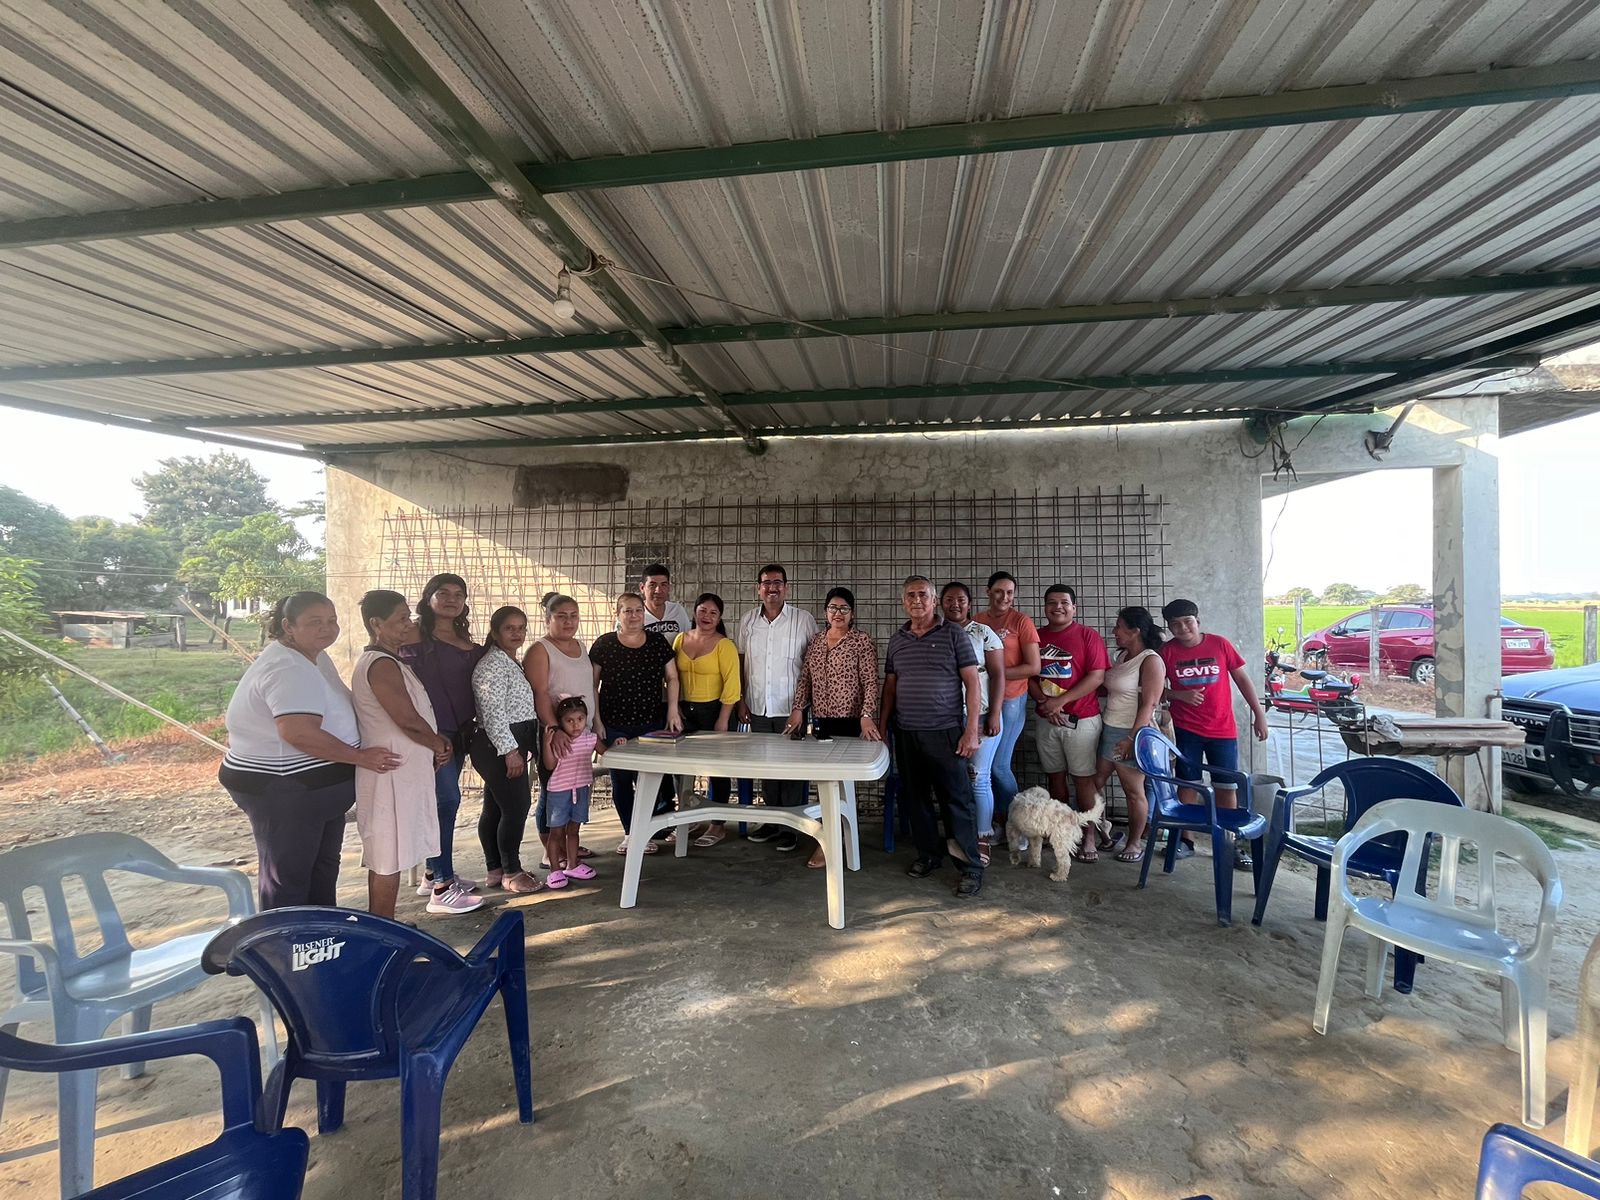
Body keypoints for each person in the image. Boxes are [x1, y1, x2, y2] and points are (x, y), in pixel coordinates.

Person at [219, 591, 400, 910]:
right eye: (315, 622)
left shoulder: (313, 657)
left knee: (322, 866)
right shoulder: (287, 668)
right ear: (288, 626)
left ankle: (319, 931)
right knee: (289, 875)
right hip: (284, 788)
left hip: (314, 789)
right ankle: (286, 938)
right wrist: (361, 757)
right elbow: (299, 733)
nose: (327, 628)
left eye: (332, 620)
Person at [351, 590, 479, 918]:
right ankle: (383, 927)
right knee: (387, 857)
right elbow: (406, 718)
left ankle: (387, 924)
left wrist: (434, 743)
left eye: (408, 617)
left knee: (394, 853)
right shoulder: (381, 664)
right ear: (376, 624)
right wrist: (437, 743)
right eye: (401, 619)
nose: (409, 624)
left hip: (402, 770)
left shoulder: (392, 660)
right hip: (390, 772)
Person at [881, 575, 985, 899]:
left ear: (934, 600)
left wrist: (972, 730)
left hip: (946, 733)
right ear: (903, 602)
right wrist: (883, 728)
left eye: (923, 595)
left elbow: (973, 683)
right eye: (911, 595)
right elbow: (890, 688)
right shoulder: (897, 641)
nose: (917, 600)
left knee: (956, 800)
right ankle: (928, 855)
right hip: (907, 732)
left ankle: (969, 867)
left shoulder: (954, 634)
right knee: (916, 799)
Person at [1158, 598, 1270, 867]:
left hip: (1223, 730)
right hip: (1186, 730)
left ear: (1198, 621)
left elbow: (1242, 679)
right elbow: (1153, 689)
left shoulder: (1220, 644)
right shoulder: (1166, 652)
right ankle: (1185, 840)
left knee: (1226, 787)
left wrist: (1259, 714)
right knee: (1188, 785)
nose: (1183, 628)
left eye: (1188, 622)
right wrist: (1179, 695)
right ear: (1170, 628)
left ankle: (1228, 844)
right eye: (1175, 624)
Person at [399, 572, 484, 904]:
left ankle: (433, 873)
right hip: (431, 734)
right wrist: (425, 733)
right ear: (428, 597)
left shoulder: (464, 637)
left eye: (458, 594)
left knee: (444, 803)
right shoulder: (413, 634)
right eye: (443, 593)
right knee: (445, 803)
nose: (451, 599)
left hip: (460, 733)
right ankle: (443, 888)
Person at [787, 586, 882, 868]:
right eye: (832, 608)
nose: (837, 613)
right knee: (825, 782)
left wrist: (867, 714)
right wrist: (797, 709)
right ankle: (831, 836)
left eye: (843, 608)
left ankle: (837, 838)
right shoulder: (816, 641)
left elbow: (870, 682)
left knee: (842, 784)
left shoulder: (861, 641)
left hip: (851, 721)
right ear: (825, 612)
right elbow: (805, 679)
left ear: (852, 613)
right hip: (821, 721)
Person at [589, 592, 683, 854]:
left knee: (651, 779)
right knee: (621, 780)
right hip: (614, 723)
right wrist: (596, 721)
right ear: (617, 614)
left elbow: (672, 678)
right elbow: (592, 685)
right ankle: (631, 833)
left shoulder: (657, 642)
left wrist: (672, 711)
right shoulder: (604, 644)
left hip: (650, 723)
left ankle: (650, 828)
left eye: (638, 610)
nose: (634, 616)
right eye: (627, 611)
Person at [736, 563, 818, 852]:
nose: (772, 587)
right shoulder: (748, 621)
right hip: (758, 705)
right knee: (767, 767)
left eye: (778, 582)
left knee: (792, 771)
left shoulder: (803, 620)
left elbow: (812, 666)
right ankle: (772, 822)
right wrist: (741, 699)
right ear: (758, 588)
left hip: (791, 707)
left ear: (787, 587)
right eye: (766, 583)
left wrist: (801, 707)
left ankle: (791, 828)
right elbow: (741, 662)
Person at [1027, 585, 1111, 860]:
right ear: (1045, 607)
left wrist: (1060, 702)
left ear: (1074, 607)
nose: (1058, 607)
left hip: (1081, 720)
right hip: (1046, 721)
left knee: (1083, 780)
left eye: (1064, 602)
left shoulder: (1088, 635)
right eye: (1052, 602)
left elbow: (1097, 676)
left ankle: (1088, 835)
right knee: (1055, 777)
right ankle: (1061, 831)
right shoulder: (1035, 637)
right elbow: (1028, 676)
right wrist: (1045, 703)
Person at [470, 605, 544, 894]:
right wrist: (510, 752)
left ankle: (496, 869)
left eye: (521, 628)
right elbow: (493, 714)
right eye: (509, 628)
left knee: (495, 808)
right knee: (516, 807)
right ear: (495, 631)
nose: (516, 633)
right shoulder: (492, 665)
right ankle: (512, 872)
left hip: (508, 743)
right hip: (499, 745)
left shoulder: (509, 661)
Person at [524, 593, 599, 855]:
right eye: (561, 616)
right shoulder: (540, 649)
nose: (569, 621)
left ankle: (568, 845)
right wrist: (554, 729)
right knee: (552, 789)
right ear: (548, 619)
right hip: (555, 732)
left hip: (580, 731)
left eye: (573, 616)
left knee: (572, 788)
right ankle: (551, 851)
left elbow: (589, 687)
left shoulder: (580, 646)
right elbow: (540, 693)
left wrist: (595, 723)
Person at [939, 582, 1005, 865]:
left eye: (961, 600)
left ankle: (982, 837)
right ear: (940, 603)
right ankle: (957, 835)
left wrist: (994, 714)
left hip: (981, 713)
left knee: (979, 777)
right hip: (946, 716)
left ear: (969, 603)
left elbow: (998, 675)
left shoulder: (983, 632)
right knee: (954, 779)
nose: (955, 604)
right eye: (949, 599)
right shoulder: (937, 632)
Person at [1095, 606, 1166, 864]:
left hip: (1131, 731)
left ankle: (1135, 843)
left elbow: (1150, 704)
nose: (1114, 632)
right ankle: (1104, 831)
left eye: (1119, 627)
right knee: (1094, 783)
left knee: (1133, 791)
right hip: (1109, 727)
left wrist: (1131, 738)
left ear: (1135, 630)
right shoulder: (1123, 656)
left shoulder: (1151, 660)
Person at [974, 570, 1040, 840]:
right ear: (988, 592)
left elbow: (1033, 667)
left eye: (1010, 592)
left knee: (999, 767)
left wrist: (994, 673)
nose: (1004, 597)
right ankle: (1000, 821)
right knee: (983, 770)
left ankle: (1020, 828)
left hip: (1011, 700)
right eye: (999, 591)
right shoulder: (978, 620)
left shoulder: (1021, 621)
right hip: (983, 702)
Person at [673, 593, 740, 847]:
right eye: (702, 610)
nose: (707, 617)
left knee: (718, 770)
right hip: (685, 711)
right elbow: (671, 676)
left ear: (719, 618)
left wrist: (723, 719)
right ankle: (688, 816)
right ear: (694, 612)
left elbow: (732, 684)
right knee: (681, 768)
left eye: (713, 613)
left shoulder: (724, 645)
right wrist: (674, 707)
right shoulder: (680, 639)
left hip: (715, 711)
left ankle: (718, 824)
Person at [541, 696, 605, 889]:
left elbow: (606, 752)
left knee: (574, 830)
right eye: (569, 720)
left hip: (582, 789)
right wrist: (546, 744)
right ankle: (554, 871)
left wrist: (619, 744)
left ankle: (573, 864)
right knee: (556, 832)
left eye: (580, 719)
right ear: (560, 722)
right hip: (559, 792)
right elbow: (549, 765)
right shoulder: (558, 741)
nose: (576, 725)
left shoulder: (591, 738)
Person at [639, 563, 693, 637]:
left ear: (669, 587)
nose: (658, 591)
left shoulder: (677, 610)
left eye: (663, 585)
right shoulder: (635, 614)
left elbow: (688, 638)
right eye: (652, 585)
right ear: (642, 588)